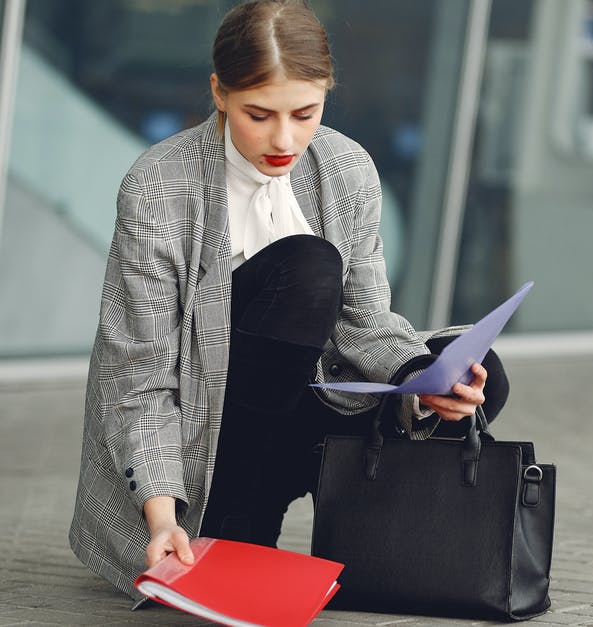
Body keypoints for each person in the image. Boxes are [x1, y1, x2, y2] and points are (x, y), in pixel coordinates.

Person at [69, 0, 510, 602]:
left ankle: (369, 548)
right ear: (218, 92)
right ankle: (238, 528)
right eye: (259, 114)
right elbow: (139, 374)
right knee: (308, 265)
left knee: (477, 379)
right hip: (202, 443)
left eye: (305, 113)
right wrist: (161, 512)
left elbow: (366, 318)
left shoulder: (346, 167)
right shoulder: (160, 186)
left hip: (303, 406)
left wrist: (419, 378)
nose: (284, 139)